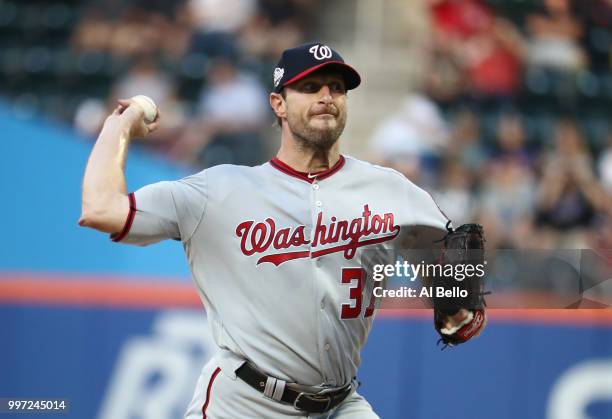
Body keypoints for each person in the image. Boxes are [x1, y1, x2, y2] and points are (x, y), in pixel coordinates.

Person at [78, 43, 485, 418]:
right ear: (279, 104)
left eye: (337, 88)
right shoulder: (218, 190)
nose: (327, 96)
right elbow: (101, 209)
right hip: (244, 402)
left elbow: (450, 285)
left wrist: (459, 307)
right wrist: (120, 125)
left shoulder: (392, 190)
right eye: (310, 87)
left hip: (341, 403)